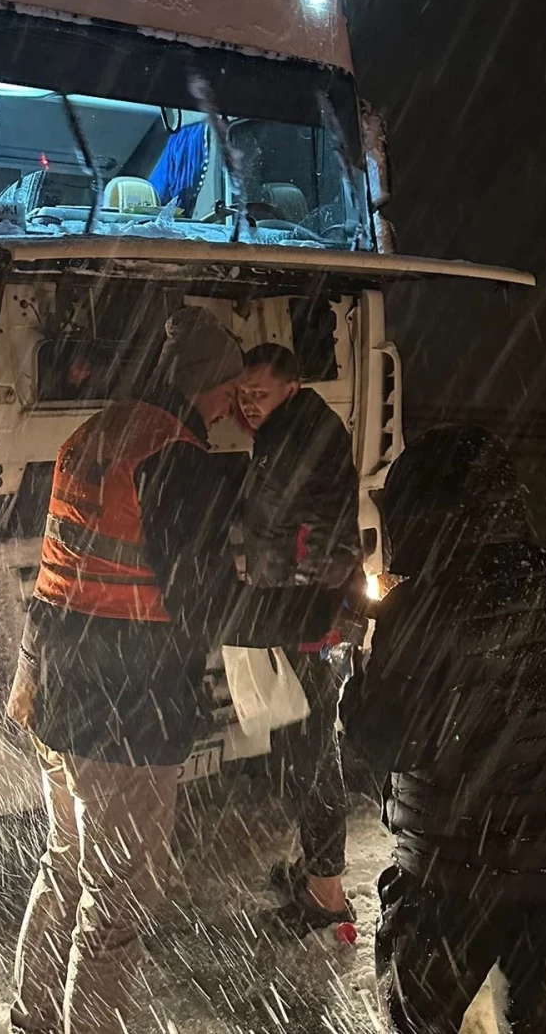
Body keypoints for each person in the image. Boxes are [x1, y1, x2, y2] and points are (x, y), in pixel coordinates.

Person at [7, 305, 246, 1034]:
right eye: (228, 385)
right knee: (115, 906)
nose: (233, 401)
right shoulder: (173, 454)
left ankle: (32, 1014)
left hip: (56, 681)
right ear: (206, 383)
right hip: (124, 708)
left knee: (64, 864)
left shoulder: (95, 433)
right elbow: (202, 598)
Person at [340, 426, 546, 1034]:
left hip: (450, 873)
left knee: (418, 1020)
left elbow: (384, 745)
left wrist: (360, 675)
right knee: (533, 1021)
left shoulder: (423, 607)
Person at [235, 343, 363, 934]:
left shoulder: (304, 435)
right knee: (297, 747)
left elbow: (317, 542)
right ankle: (312, 869)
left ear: (291, 385)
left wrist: (289, 607)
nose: (248, 404)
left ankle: (327, 897)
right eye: (242, 394)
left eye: (258, 394)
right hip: (298, 612)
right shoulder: (291, 424)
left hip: (309, 621)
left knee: (311, 754)